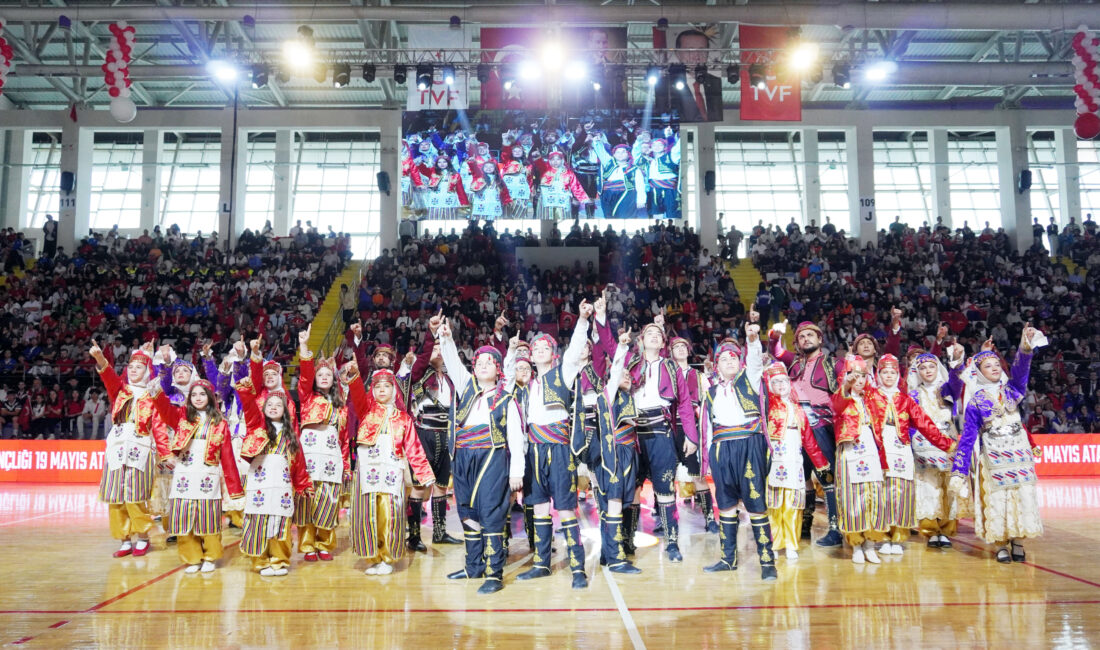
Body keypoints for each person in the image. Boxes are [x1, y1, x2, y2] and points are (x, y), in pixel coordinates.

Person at [596, 309, 697, 563]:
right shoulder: (631, 361)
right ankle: (627, 542)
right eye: (648, 333)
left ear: (663, 342)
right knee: (631, 490)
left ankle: (672, 544)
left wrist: (691, 436)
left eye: (657, 334)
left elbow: (684, 403)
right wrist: (600, 317)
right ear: (641, 340)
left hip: (661, 431)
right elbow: (609, 346)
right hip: (632, 433)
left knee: (665, 489)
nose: (653, 336)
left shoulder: (672, 367)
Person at [437, 319, 525, 595]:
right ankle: (473, 566)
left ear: (499, 370)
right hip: (463, 457)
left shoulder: (505, 398)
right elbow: (452, 364)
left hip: (492, 457)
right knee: (467, 513)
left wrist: (516, 472)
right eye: (479, 361)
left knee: (490, 514)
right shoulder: (467, 389)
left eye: (489, 361)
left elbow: (515, 436)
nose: (482, 364)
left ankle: (494, 572)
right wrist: (447, 339)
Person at [510, 299, 593, 590]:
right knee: (540, 509)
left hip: (558, 449)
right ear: (530, 357)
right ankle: (542, 564)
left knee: (567, 509)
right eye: (535, 349)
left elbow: (573, 351)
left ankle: (578, 569)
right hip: (534, 450)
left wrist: (582, 320)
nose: (539, 350)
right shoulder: (524, 386)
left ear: (554, 355)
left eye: (545, 347)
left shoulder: (564, 373)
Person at [952, 325, 1044, 563]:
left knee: (1020, 496)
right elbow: (968, 438)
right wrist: (959, 471)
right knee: (998, 499)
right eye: (988, 366)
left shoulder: (1012, 390)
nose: (994, 369)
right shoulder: (975, 402)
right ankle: (1001, 543)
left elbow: (1021, 370)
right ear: (979, 372)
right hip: (993, 457)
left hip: (1018, 453)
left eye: (996, 365)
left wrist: (1025, 346)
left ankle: (1018, 540)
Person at [699, 325, 775, 580]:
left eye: (734, 357)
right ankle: (728, 558)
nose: (729, 360)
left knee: (755, 505)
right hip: (721, 449)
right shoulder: (710, 393)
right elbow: (707, 428)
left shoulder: (749, 379)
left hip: (749, 445)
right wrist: (708, 461)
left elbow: (754, 360)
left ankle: (767, 562)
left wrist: (752, 339)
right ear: (716, 365)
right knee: (726, 505)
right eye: (724, 358)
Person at [345, 365, 435, 575]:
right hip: (367, 471)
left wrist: (424, 474)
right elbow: (357, 393)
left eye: (387, 386)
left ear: (394, 390)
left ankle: (387, 556)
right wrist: (355, 377)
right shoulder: (366, 411)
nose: (382, 390)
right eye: (378, 387)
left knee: (389, 512)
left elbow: (414, 447)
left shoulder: (403, 419)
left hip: (392, 471)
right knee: (368, 513)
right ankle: (373, 556)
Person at [151, 378, 244, 573]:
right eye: (194, 395)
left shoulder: (220, 424)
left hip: (207, 476)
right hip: (184, 473)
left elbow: (227, 457)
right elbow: (164, 409)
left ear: (210, 397)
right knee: (185, 519)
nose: (198, 398)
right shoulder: (181, 417)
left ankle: (210, 556)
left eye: (202, 394)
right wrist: (157, 391)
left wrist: (234, 488)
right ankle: (192, 558)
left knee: (208, 519)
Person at [89, 340, 171, 559]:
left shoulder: (152, 396)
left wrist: (165, 453)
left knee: (136, 496)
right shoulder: (121, 391)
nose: (134, 370)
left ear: (147, 371)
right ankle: (124, 540)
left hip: (141, 448)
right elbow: (108, 377)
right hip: (116, 449)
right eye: (131, 367)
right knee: (115, 498)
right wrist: (100, 359)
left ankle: (143, 536)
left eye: (139, 367)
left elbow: (159, 426)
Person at [873, 354, 956, 556]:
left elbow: (925, 425)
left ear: (899, 375)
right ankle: (883, 536)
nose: (889, 376)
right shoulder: (871, 397)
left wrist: (949, 445)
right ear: (878, 374)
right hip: (879, 450)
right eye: (885, 372)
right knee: (881, 494)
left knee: (900, 494)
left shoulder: (905, 400)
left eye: (893, 372)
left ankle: (899, 537)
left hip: (901, 450)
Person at [771, 320, 844, 547]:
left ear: (820, 339)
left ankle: (835, 529)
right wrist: (775, 334)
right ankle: (804, 526)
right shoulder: (794, 362)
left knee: (827, 476)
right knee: (801, 476)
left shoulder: (834, 364)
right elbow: (776, 350)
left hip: (821, 423)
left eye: (810, 335)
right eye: (802, 337)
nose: (806, 339)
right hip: (795, 425)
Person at [235, 377, 312, 576]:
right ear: (264, 407)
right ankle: (261, 562)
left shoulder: (291, 436)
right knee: (259, 521)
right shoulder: (256, 426)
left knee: (281, 522)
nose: (274, 407)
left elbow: (299, 463)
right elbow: (249, 406)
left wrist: (303, 485)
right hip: (259, 484)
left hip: (282, 486)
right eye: (270, 404)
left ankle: (279, 560)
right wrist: (245, 390)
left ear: (286, 411)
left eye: (279, 405)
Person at [762, 362, 830, 561]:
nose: (781, 385)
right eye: (776, 382)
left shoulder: (799, 410)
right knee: (774, 504)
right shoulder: (767, 407)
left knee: (793, 504)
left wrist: (821, 463)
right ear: (770, 384)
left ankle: (791, 543)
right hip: (774, 460)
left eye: (784, 381)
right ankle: (775, 543)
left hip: (794, 459)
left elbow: (809, 439)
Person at [295, 325, 351, 562]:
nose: (325, 377)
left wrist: (346, 465)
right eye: (321, 375)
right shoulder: (307, 397)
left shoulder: (341, 407)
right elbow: (306, 374)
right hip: (308, 458)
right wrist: (305, 347)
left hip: (331, 460)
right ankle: (308, 545)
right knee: (307, 501)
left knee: (328, 502)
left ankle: (325, 543)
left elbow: (345, 439)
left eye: (329, 374)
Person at [406, 311, 462, 549]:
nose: (438, 351)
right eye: (435, 348)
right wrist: (431, 335)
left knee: (441, 485)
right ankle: (414, 537)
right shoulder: (419, 374)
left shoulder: (450, 379)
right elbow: (425, 354)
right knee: (420, 486)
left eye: (442, 348)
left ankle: (440, 533)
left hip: (444, 434)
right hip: (423, 434)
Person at [907, 348, 967, 548]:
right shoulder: (913, 395)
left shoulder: (946, 390)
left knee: (949, 488)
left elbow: (958, 382)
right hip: (923, 448)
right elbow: (911, 424)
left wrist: (957, 362)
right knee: (928, 489)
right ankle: (931, 530)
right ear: (917, 373)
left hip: (948, 444)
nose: (927, 371)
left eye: (932, 366)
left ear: (938, 368)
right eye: (922, 368)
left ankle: (947, 530)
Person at [831, 356, 889, 564]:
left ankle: (871, 543)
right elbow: (837, 404)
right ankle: (855, 544)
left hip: (871, 450)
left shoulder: (872, 399)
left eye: (863, 375)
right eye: (853, 375)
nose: (859, 379)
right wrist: (846, 384)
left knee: (875, 495)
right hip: (850, 450)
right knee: (852, 497)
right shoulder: (841, 398)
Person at [669, 335, 717, 533]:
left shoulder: (699, 377)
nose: (680, 349)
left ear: (689, 351)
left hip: (691, 428)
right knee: (665, 475)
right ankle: (666, 520)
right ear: (670, 352)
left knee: (697, 475)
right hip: (670, 426)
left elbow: (710, 401)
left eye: (684, 346)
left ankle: (710, 518)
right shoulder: (666, 372)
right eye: (676, 347)